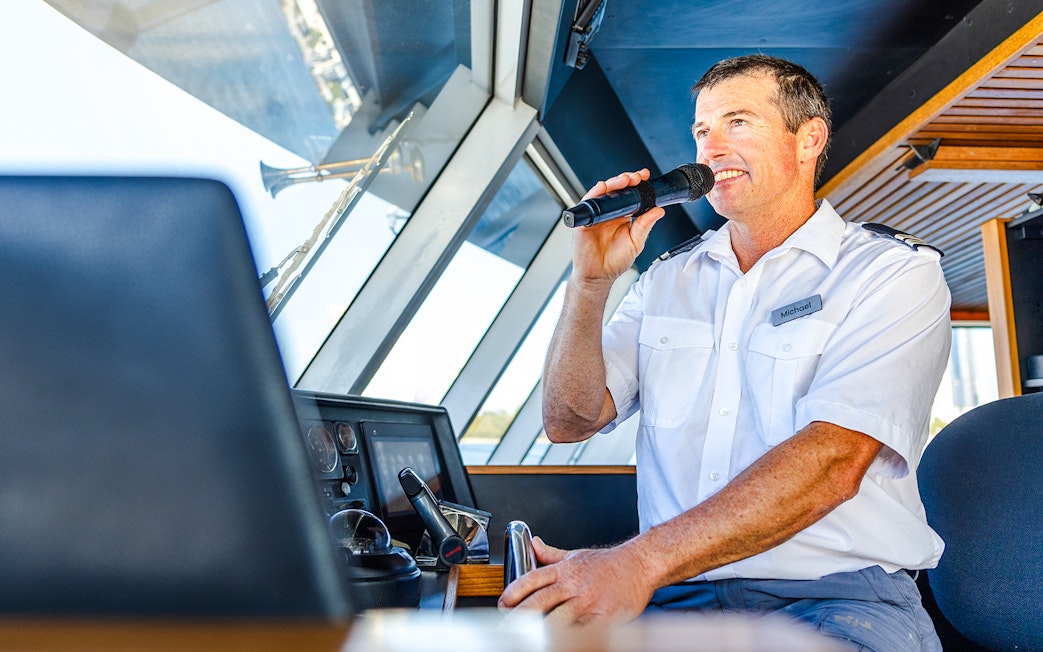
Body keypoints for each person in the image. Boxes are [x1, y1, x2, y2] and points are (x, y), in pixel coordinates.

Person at [498, 54, 949, 651]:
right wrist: (590, 284)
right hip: (675, 595)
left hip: (835, 599)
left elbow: (833, 462)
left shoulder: (892, 276)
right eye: (701, 131)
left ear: (809, 138)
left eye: (737, 122)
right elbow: (570, 419)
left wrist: (634, 564)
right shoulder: (665, 279)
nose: (710, 148)